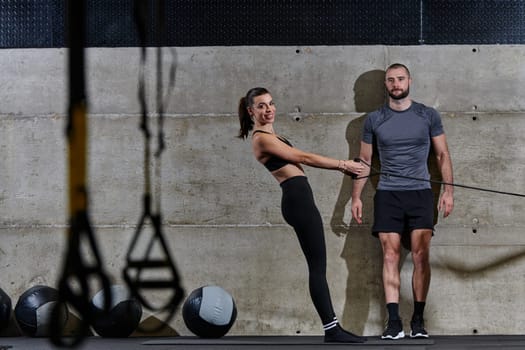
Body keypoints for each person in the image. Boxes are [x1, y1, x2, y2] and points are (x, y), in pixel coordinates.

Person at [237, 87, 367, 343]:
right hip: (298, 203)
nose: (269, 109)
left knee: (319, 267)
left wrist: (347, 167)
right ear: (251, 111)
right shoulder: (261, 139)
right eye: (261, 106)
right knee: (317, 268)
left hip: (300, 201)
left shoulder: (273, 135)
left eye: (271, 103)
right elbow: (303, 157)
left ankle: (333, 328)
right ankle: (332, 329)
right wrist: (345, 165)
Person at [351, 63, 454, 340]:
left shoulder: (427, 115)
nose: (395, 84)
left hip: (420, 193)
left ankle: (418, 321)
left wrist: (448, 191)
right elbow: (364, 161)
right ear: (385, 85)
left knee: (421, 255)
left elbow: (442, 155)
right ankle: (394, 322)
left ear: (409, 80)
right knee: (390, 256)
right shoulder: (374, 119)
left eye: (400, 79)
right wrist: (356, 196)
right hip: (388, 194)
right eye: (390, 80)